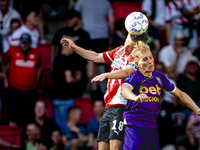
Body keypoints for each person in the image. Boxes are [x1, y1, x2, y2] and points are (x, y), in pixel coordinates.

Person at [60, 31, 148, 150]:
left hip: (122, 106)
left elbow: (126, 72)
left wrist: (107, 75)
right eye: (129, 35)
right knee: (102, 147)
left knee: (115, 147)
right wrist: (74, 47)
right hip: (109, 106)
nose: (129, 38)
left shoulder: (138, 57)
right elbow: (95, 57)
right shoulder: (119, 51)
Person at [120, 42, 200, 150]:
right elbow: (124, 90)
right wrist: (135, 97)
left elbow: (180, 94)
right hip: (135, 126)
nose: (150, 61)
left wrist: (196, 108)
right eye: (145, 59)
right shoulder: (134, 77)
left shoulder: (159, 77)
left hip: (152, 127)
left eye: (151, 57)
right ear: (137, 63)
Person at [2, 33, 41, 127]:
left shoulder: (36, 52)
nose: (24, 44)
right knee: (13, 117)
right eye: (23, 42)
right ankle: (13, 140)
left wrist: (37, 80)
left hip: (31, 90)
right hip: (15, 89)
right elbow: (3, 62)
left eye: (27, 43)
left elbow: (39, 67)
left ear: (30, 43)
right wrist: (5, 79)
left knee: (30, 118)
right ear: (19, 42)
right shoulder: (12, 50)